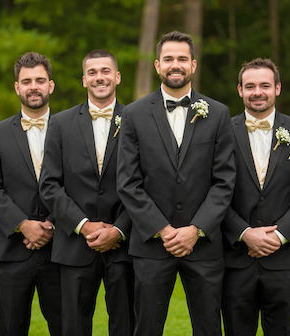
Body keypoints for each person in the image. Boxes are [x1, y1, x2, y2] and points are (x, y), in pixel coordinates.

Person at [116, 31, 236, 336]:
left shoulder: (219, 113)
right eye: (168, 58)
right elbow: (128, 182)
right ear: (157, 65)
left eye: (182, 58)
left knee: (209, 327)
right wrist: (165, 230)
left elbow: (224, 181)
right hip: (152, 246)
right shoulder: (133, 114)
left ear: (193, 64)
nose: (175, 64)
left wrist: (195, 230)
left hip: (204, 246)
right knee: (146, 328)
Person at [221, 58, 290, 336]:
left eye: (265, 85)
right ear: (239, 90)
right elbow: (214, 192)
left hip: (284, 260)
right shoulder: (221, 133)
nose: (258, 92)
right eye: (250, 86)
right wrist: (245, 233)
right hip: (236, 258)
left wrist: (277, 237)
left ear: (277, 88)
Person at [39, 49, 134, 336]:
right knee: (74, 327)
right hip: (75, 246)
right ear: (83, 80)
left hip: (125, 246)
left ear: (117, 77)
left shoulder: (138, 119)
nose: (99, 77)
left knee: (126, 324)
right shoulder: (60, 123)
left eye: (105, 71)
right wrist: (84, 226)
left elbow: (147, 184)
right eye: (92, 72)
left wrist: (119, 229)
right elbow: (50, 184)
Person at [0, 52, 61, 336]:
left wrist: (52, 223)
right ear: (17, 87)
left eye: (40, 80)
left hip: (61, 249)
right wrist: (24, 225)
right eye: (26, 81)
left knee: (67, 327)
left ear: (51, 85)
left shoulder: (70, 129)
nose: (33, 86)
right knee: (9, 328)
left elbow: (77, 183)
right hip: (13, 251)